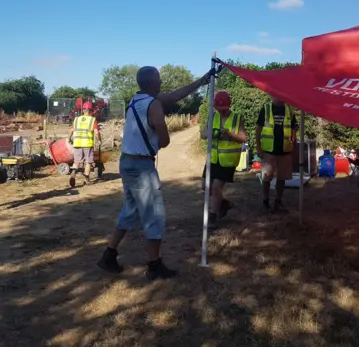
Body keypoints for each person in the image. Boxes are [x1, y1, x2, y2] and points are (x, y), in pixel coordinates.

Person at [97, 66, 212, 280]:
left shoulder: (136, 100)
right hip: (142, 168)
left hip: (127, 163)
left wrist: (201, 81)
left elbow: (175, 95)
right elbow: (165, 140)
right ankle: (154, 264)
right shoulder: (154, 105)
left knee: (130, 210)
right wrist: (157, 138)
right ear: (151, 82)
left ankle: (109, 255)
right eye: (158, 79)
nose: (161, 83)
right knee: (155, 216)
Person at [200, 91, 246, 229]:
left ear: (229, 105)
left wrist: (229, 134)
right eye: (219, 109)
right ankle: (223, 203)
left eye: (224, 108)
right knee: (205, 187)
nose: (221, 111)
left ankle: (212, 217)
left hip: (228, 160)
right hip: (213, 159)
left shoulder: (238, 118)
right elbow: (202, 134)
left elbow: (243, 138)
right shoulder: (212, 116)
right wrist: (211, 133)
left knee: (215, 187)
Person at [256, 96, 297, 212]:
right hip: (269, 152)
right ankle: (265, 200)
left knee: (282, 178)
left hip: (285, 151)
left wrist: (293, 145)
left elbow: (294, 129)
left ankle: (278, 201)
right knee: (266, 178)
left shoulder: (289, 110)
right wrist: (259, 148)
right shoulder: (266, 108)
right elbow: (258, 129)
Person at [68, 101, 102, 187]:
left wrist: (69, 139)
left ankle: (73, 172)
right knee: (88, 161)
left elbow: (71, 130)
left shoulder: (77, 119)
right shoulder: (92, 120)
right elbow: (96, 132)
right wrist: (99, 140)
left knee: (77, 161)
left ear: (83, 110)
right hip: (87, 143)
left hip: (77, 143)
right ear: (91, 111)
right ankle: (86, 178)